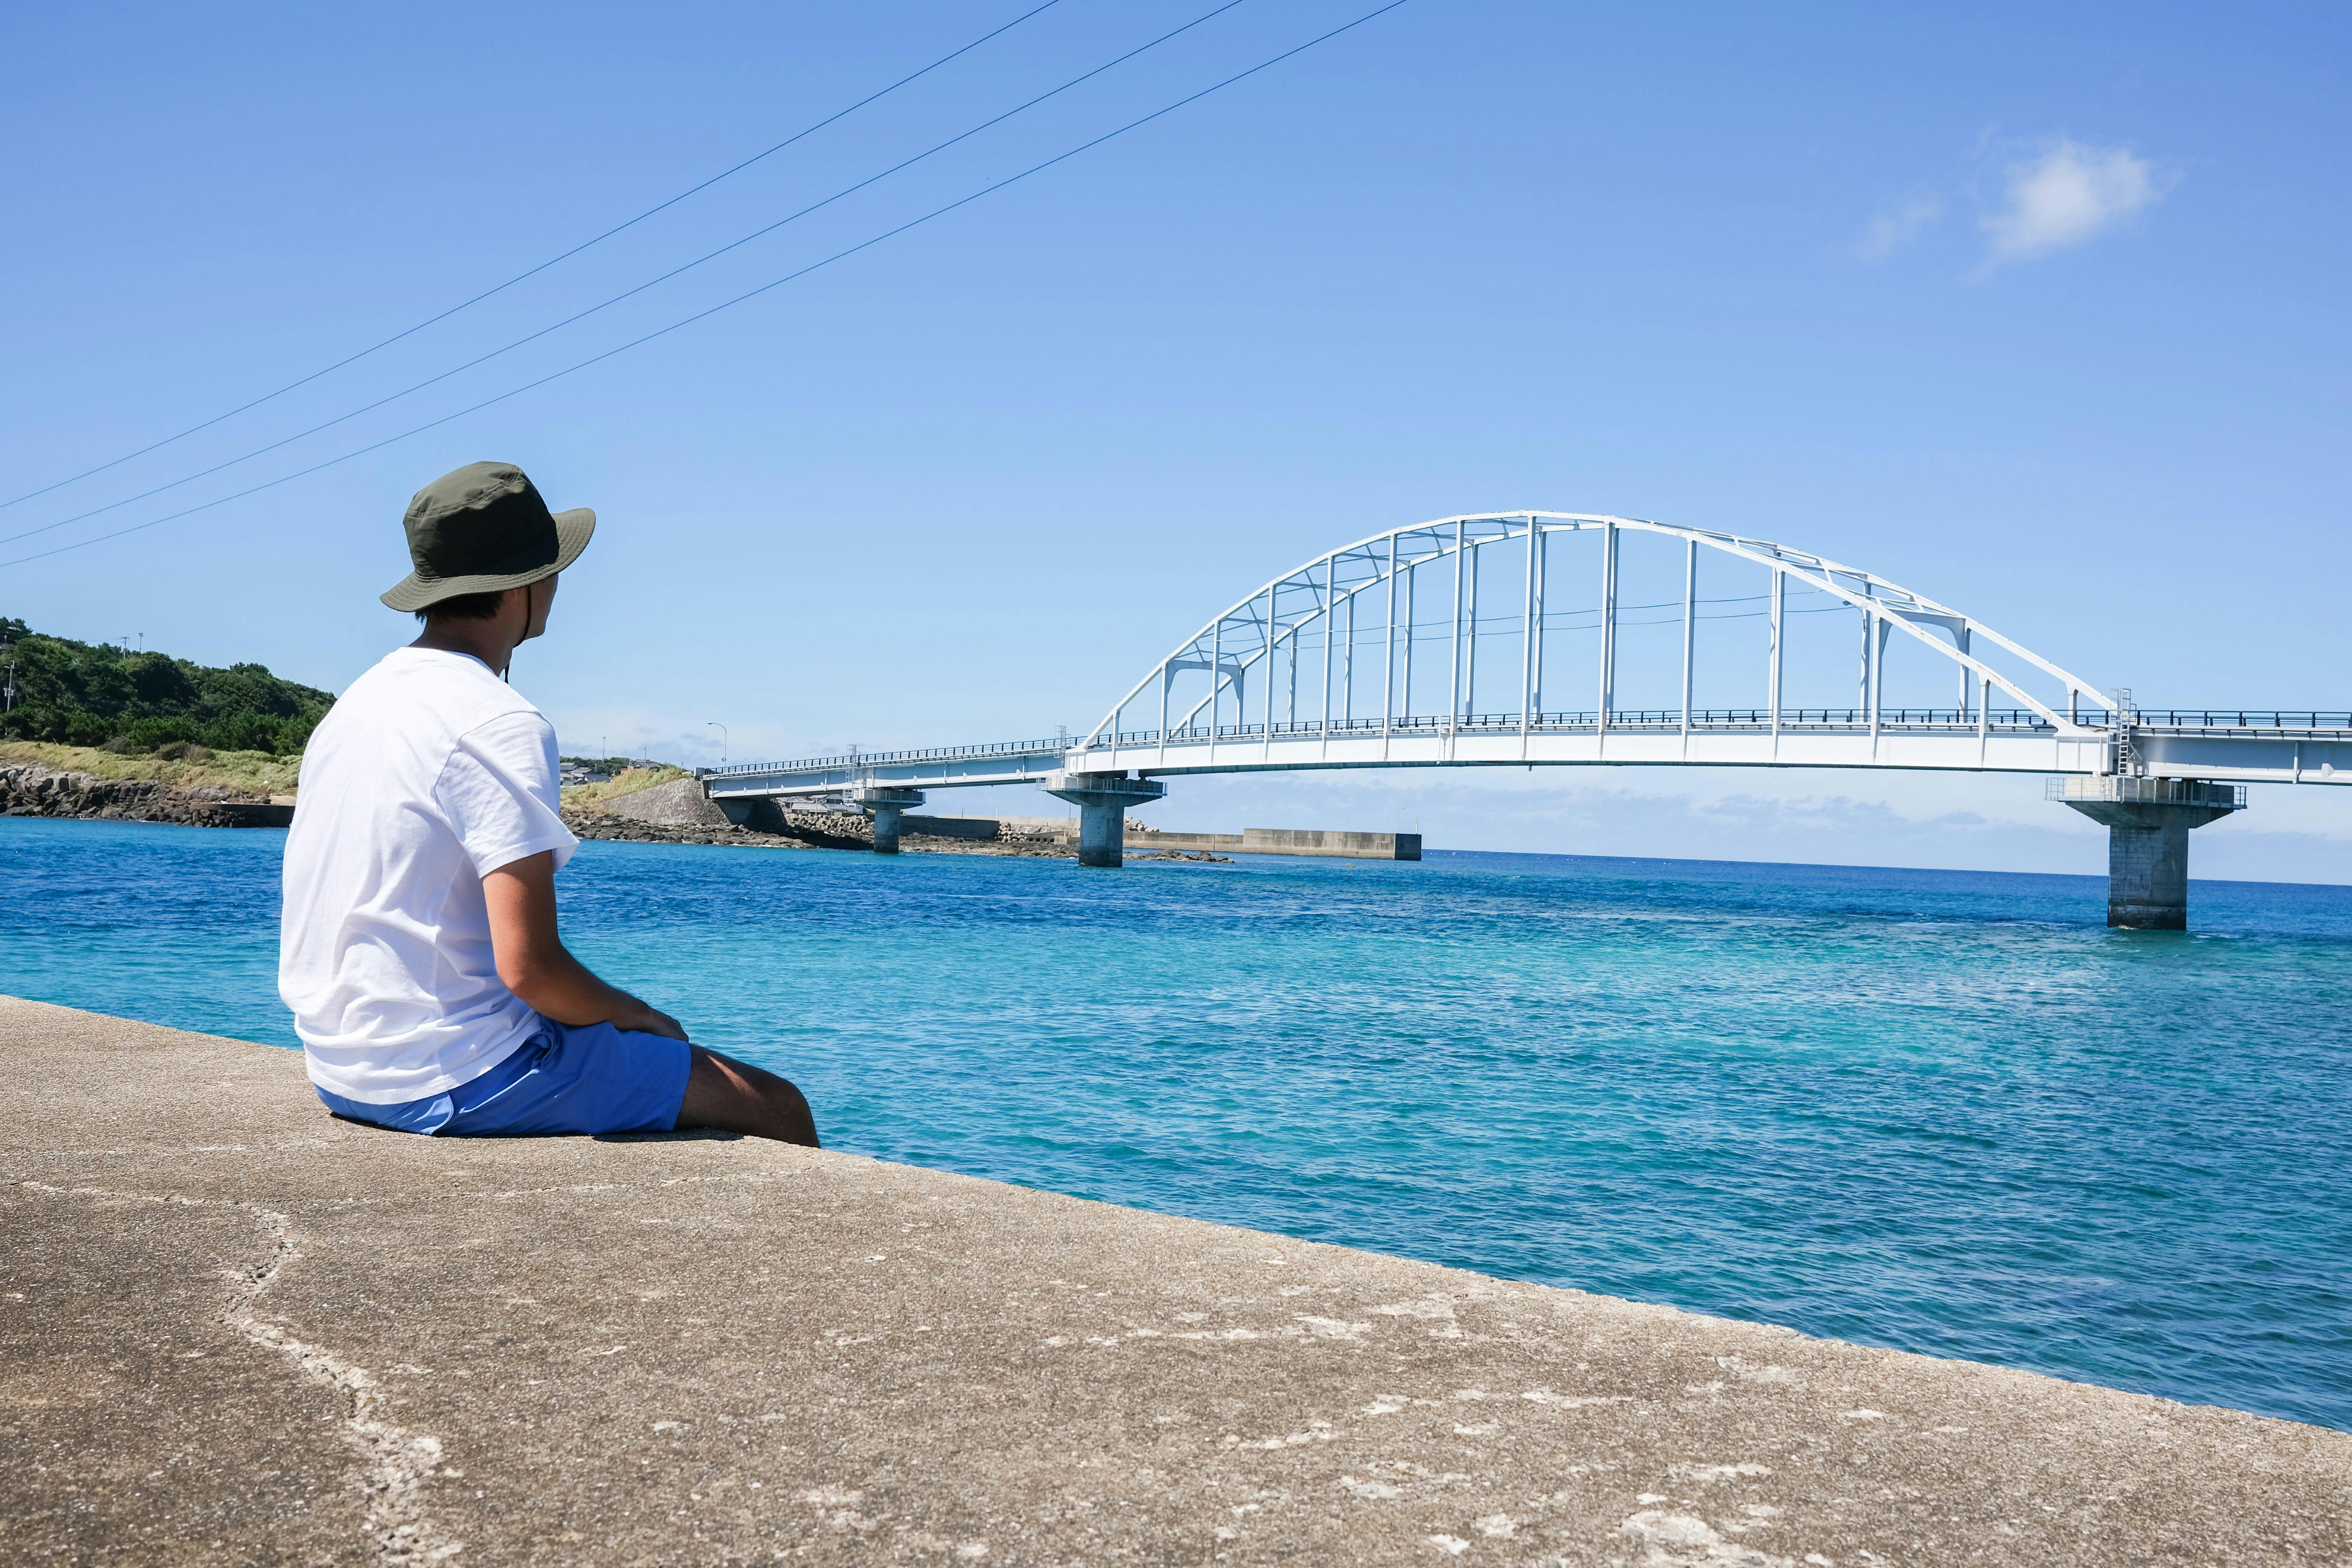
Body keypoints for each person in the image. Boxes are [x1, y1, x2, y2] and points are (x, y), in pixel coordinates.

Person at [278, 461, 817, 1144]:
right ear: (523, 584)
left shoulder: (357, 704)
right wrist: (643, 1016)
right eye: (554, 567)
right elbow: (529, 968)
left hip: (341, 1069)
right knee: (778, 1106)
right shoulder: (498, 721)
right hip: (456, 1073)